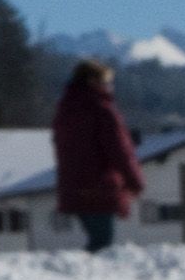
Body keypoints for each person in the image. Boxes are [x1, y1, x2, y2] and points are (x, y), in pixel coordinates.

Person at [52, 58, 143, 254]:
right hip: (99, 185)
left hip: (73, 185)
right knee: (102, 244)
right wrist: (134, 180)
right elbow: (119, 150)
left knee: (97, 239)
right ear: (93, 82)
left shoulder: (65, 109)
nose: (110, 87)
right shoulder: (102, 110)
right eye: (107, 82)